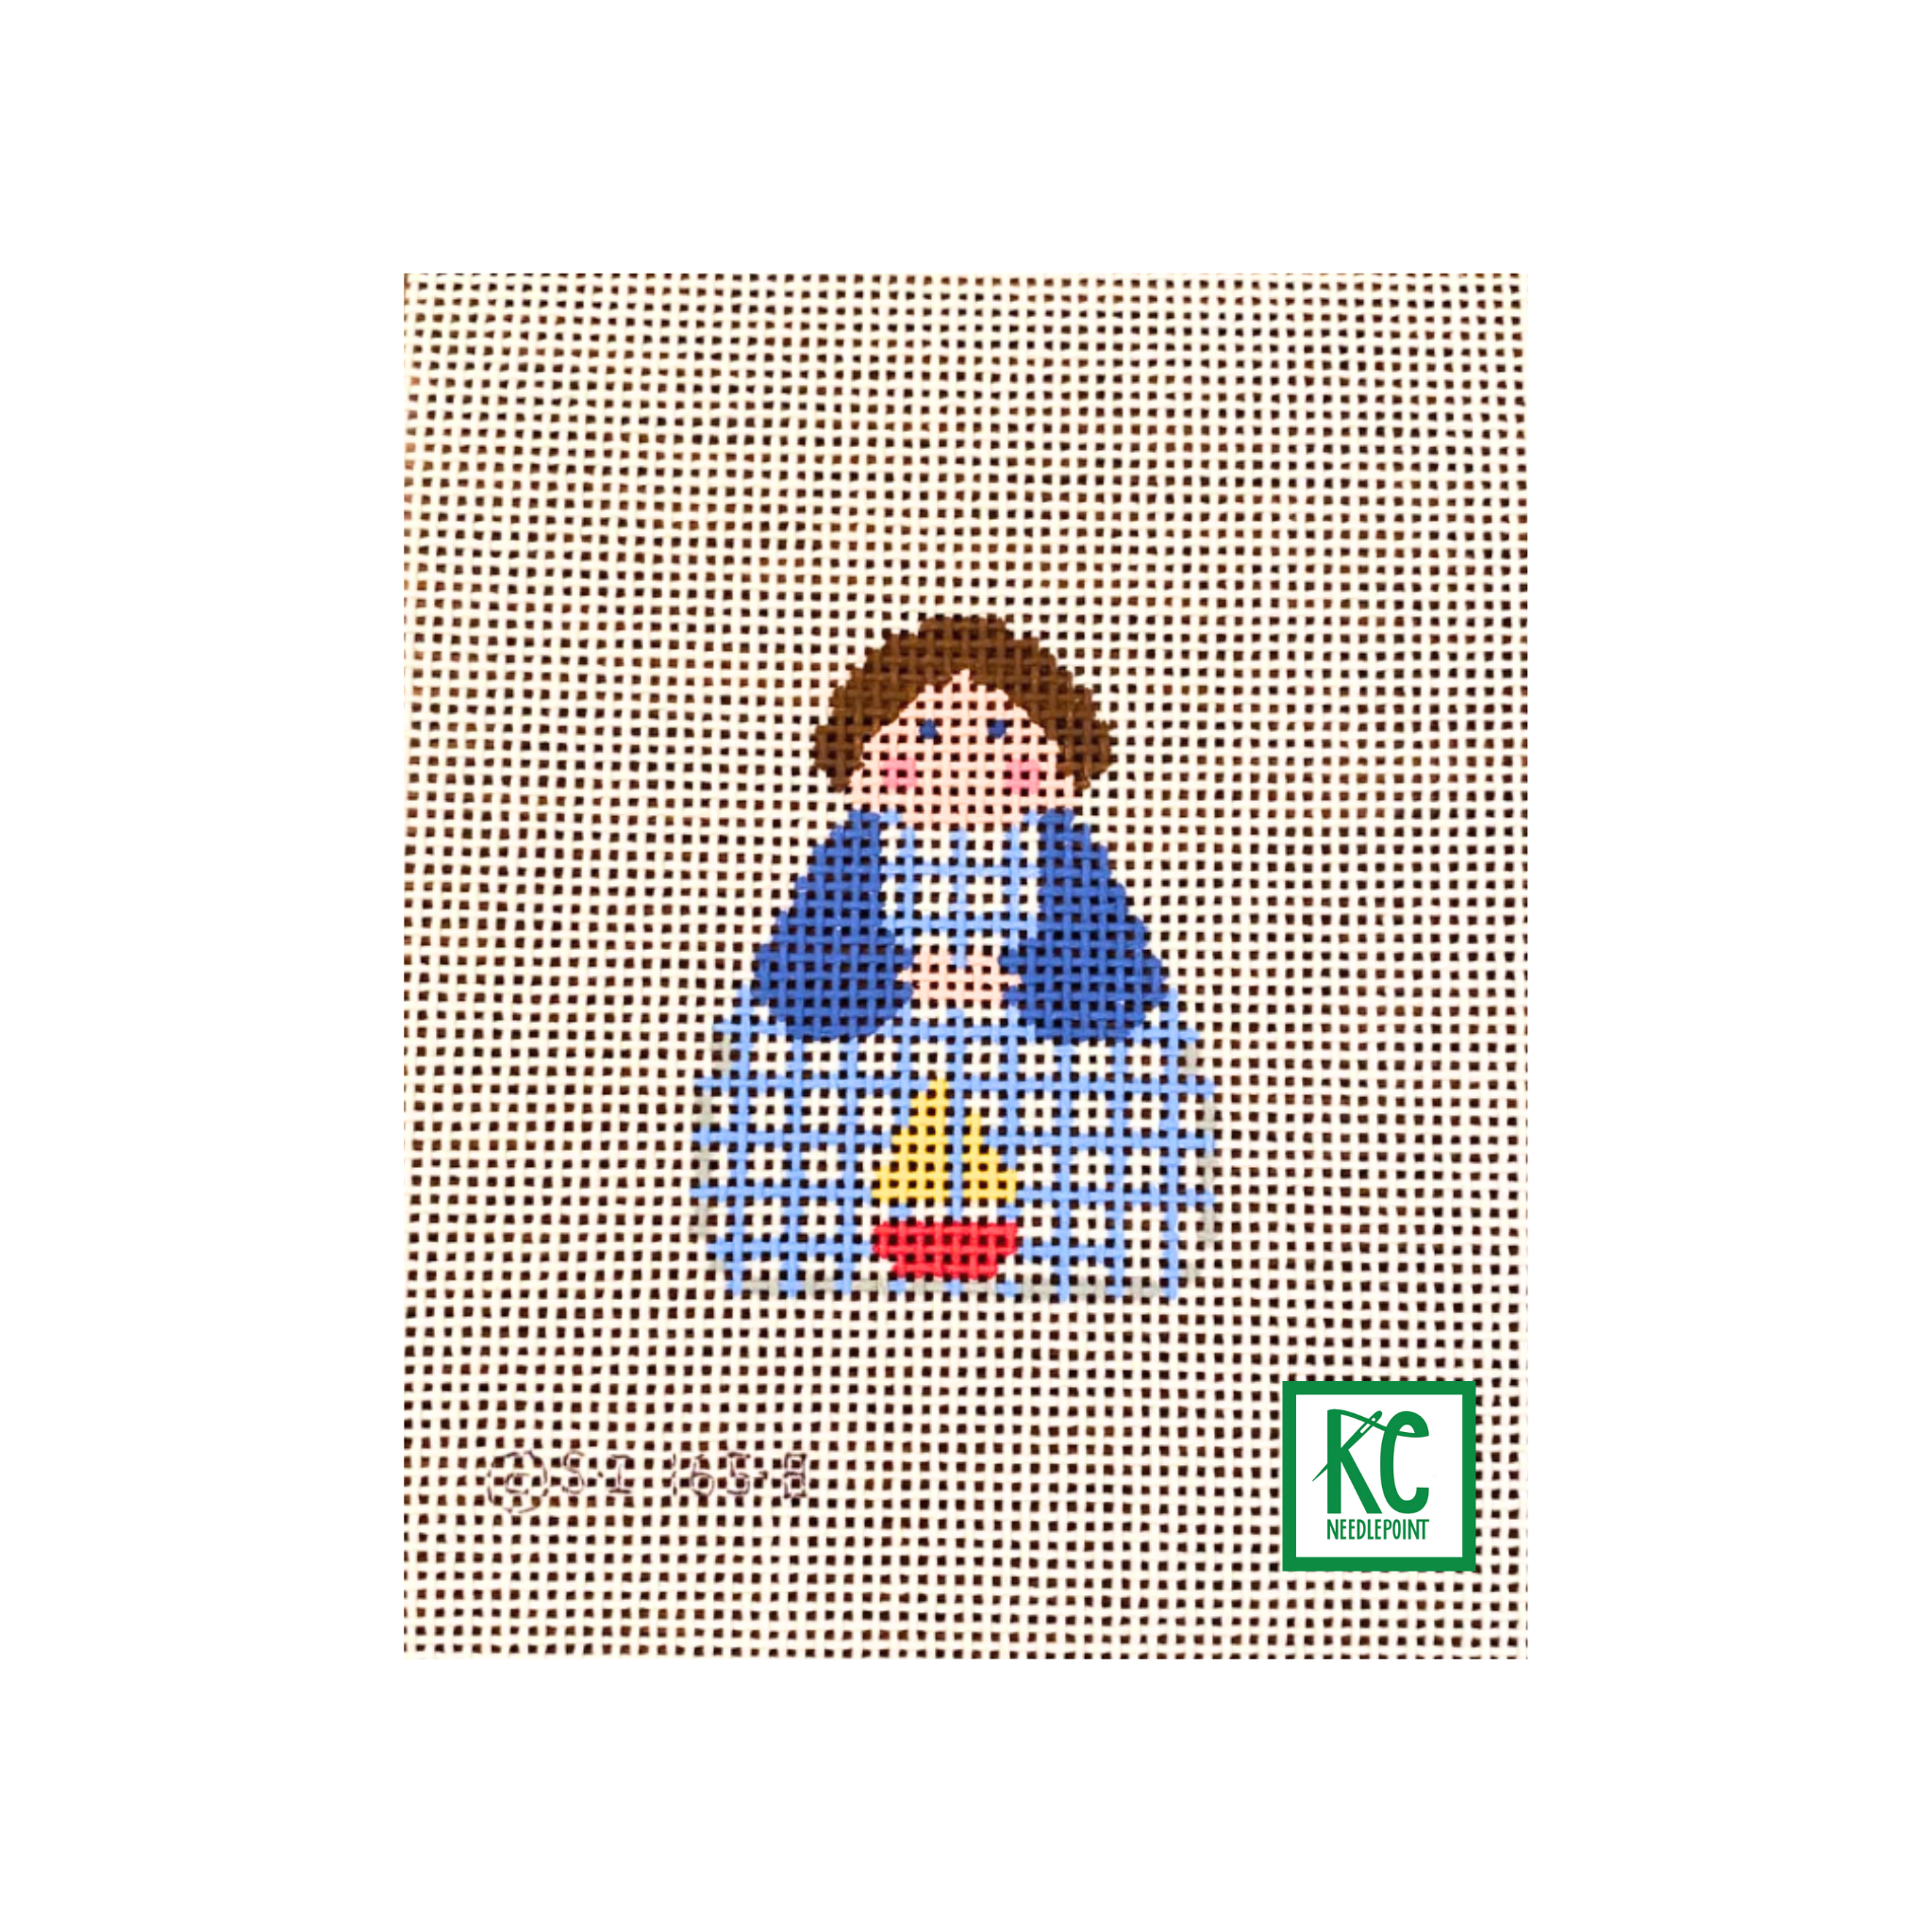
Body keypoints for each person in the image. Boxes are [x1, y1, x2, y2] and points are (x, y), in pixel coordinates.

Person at [696, 616, 1213, 1296]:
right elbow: (800, 966)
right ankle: (818, 1253)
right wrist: (896, 980)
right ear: (861, 758)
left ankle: (1082, 1259)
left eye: (999, 732)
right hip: (865, 1073)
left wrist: (1017, 983)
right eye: (927, 733)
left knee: (1063, 1152)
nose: (963, 759)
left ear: (1064, 757)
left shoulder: (1067, 860)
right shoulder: (852, 859)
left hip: (1046, 1079)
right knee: (842, 1146)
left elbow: (1118, 971)